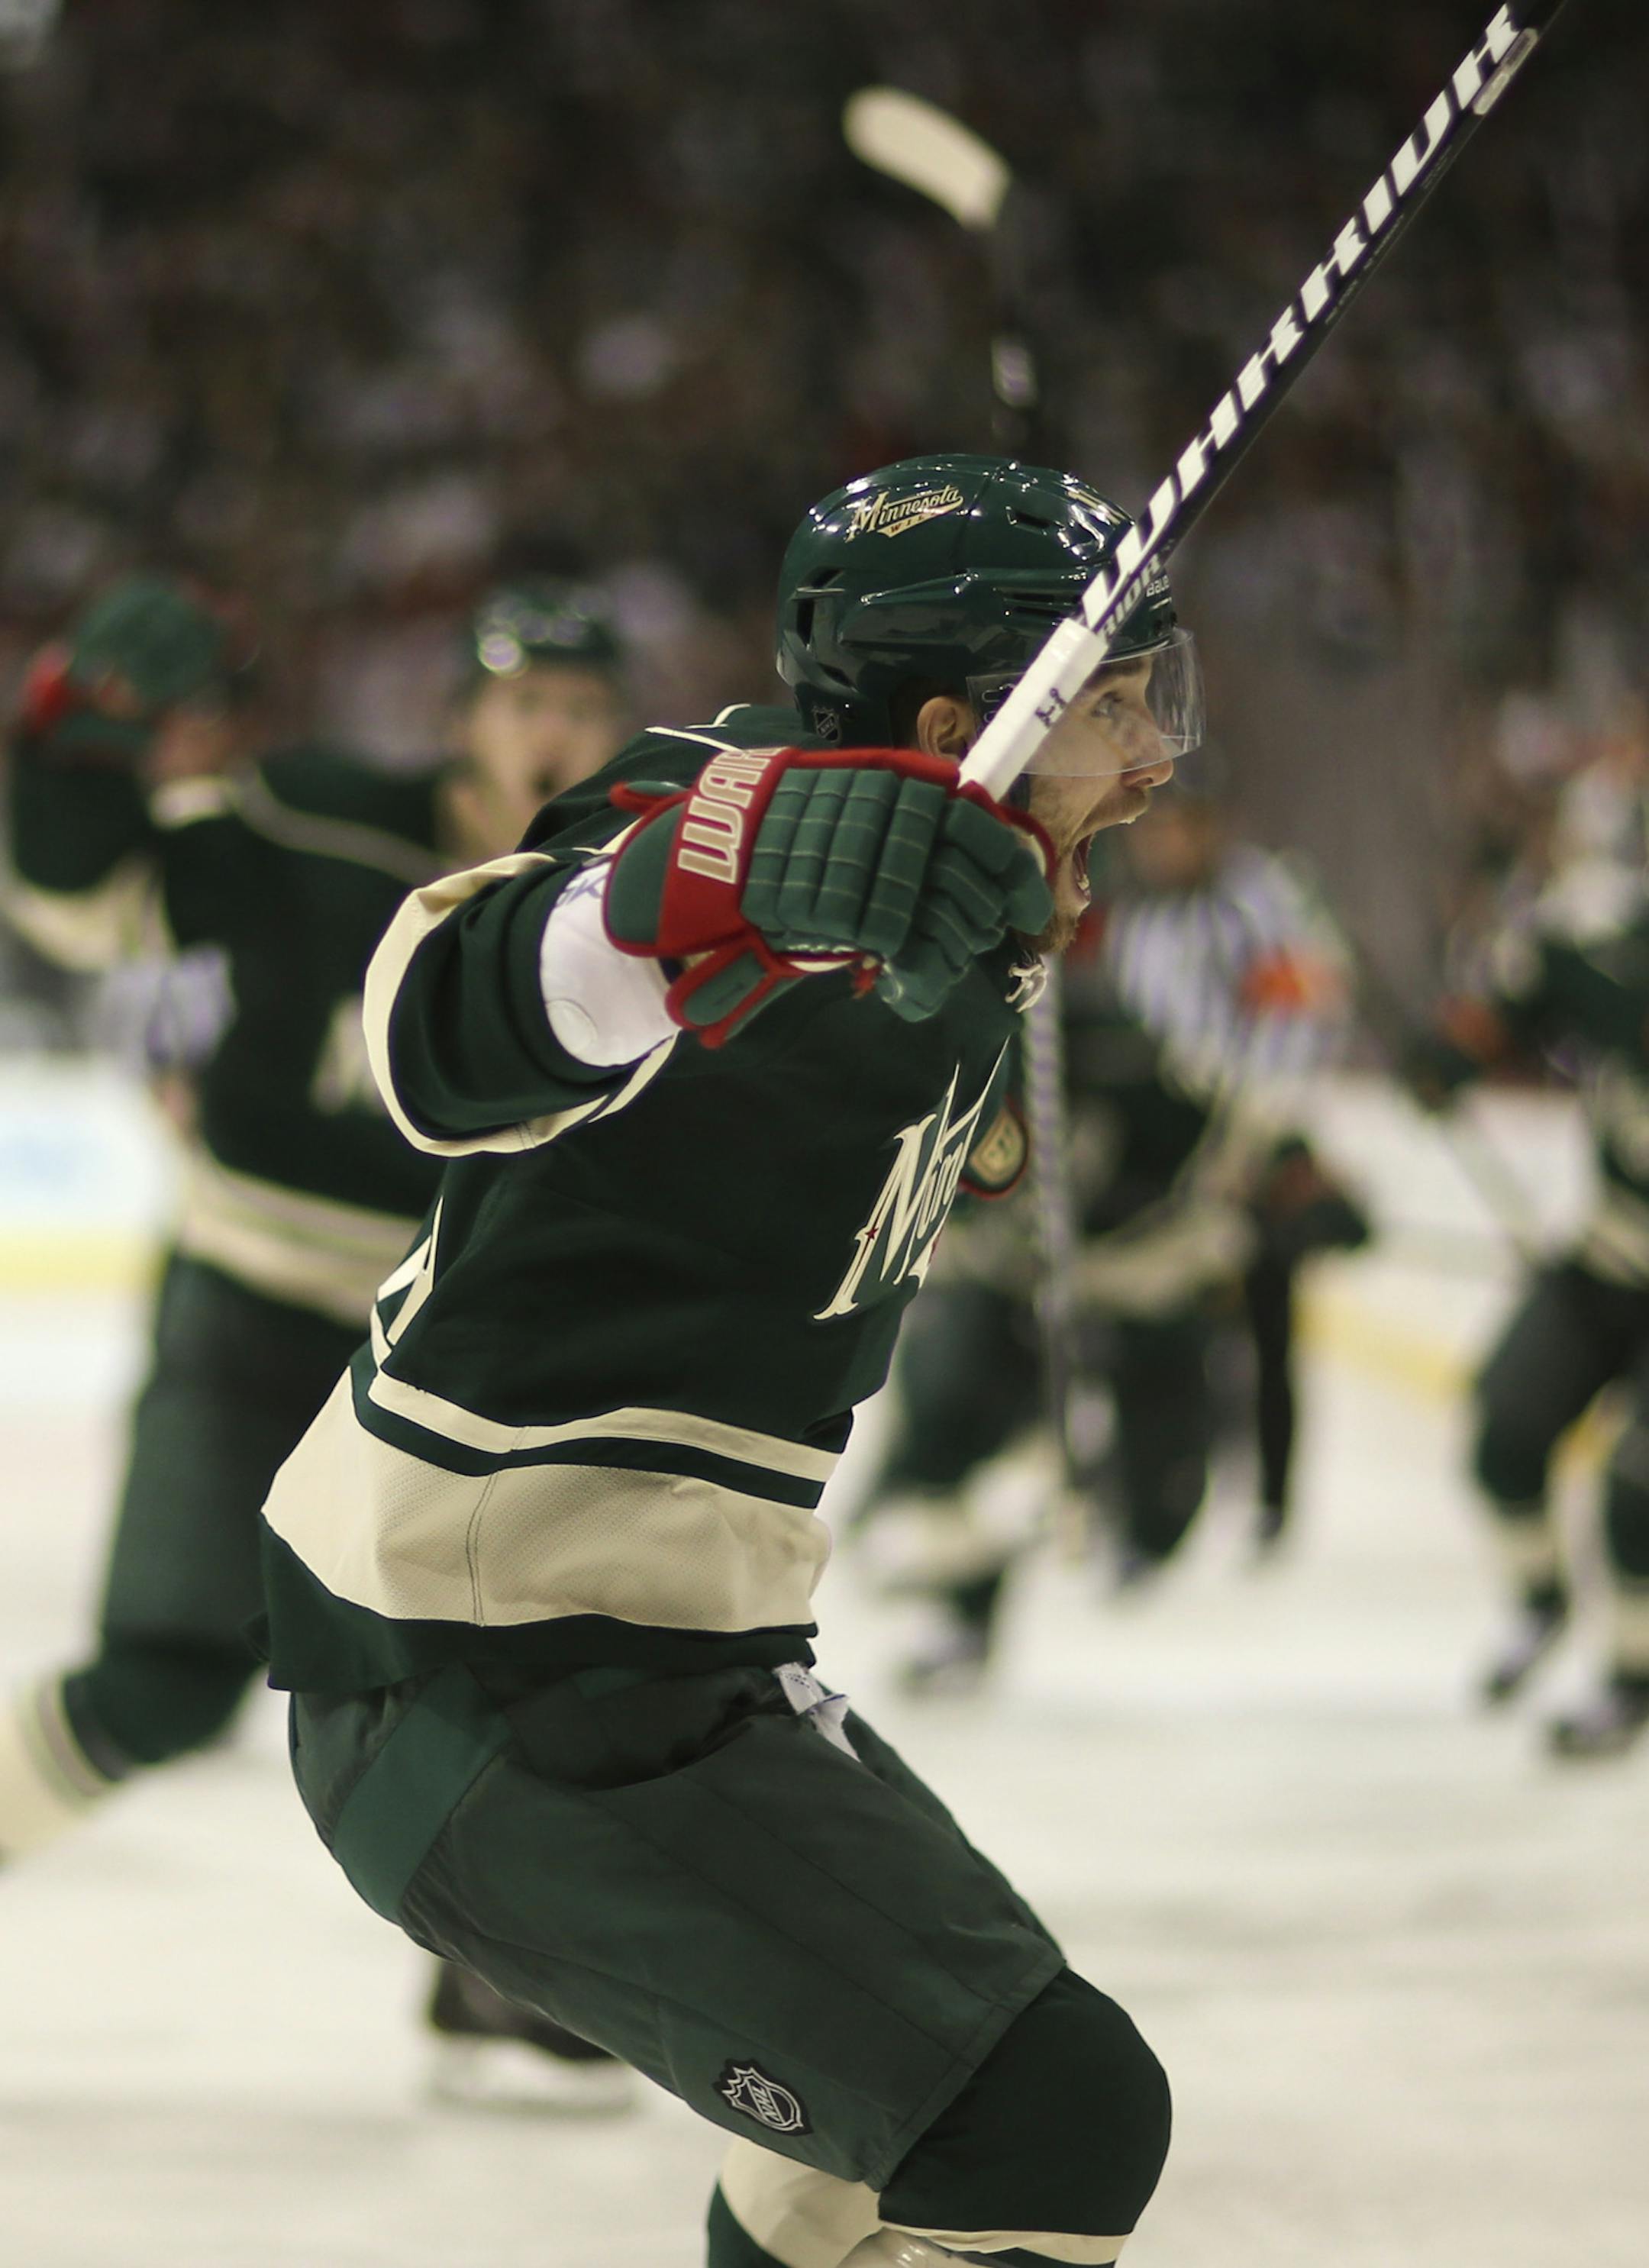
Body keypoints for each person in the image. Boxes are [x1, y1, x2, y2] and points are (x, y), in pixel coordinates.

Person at [257, 454, 1202, 2268]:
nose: (1155, 755)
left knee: (859, 2156)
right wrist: (683, 895)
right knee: (1048, 2111)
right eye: (1115, 703)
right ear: (960, 717)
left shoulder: (973, 903)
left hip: (671, 1658)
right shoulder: (722, 806)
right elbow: (439, 1037)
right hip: (482, 1670)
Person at [0, 571, 637, 2107]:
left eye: (579, 710)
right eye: (524, 703)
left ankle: (493, 1973)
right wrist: (73, 740)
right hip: (251, 1296)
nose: (550, 735)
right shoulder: (297, 817)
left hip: (461, 1346)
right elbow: (72, 897)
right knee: (158, 1679)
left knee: (534, 1685)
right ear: (463, 721)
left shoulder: (627, 891)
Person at [1413, 855, 1649, 1756]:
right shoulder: (1613, 948)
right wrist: (1455, 1051)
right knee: (1504, 1434)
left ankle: (1633, 1676)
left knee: (1640, 1491)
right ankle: (1540, 1602)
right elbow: (1523, 995)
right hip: (1610, 1253)